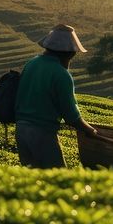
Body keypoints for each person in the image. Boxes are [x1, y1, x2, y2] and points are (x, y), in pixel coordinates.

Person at [14, 23, 98, 169]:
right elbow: (71, 115)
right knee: (57, 178)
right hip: (42, 133)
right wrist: (90, 130)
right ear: (69, 53)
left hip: (21, 130)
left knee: (31, 176)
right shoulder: (61, 74)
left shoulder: (32, 63)